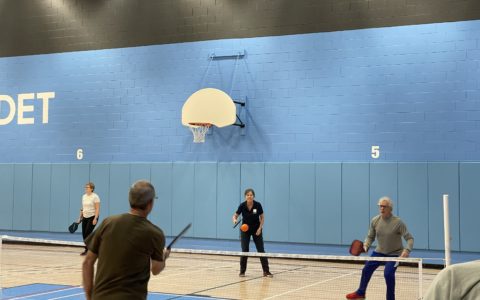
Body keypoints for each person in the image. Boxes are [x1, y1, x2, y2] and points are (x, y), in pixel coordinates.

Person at [82, 180, 169, 300]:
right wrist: (164, 256)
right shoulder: (154, 233)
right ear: (150, 204)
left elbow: (87, 263)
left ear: (130, 200)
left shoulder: (108, 223)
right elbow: (156, 269)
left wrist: (89, 297)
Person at [346, 196, 414, 300]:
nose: (381, 208)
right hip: (379, 252)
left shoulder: (398, 222)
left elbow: (409, 238)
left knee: (388, 274)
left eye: (384, 206)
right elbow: (370, 236)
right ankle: (361, 293)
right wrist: (366, 245)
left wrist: (407, 250)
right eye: (380, 206)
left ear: (390, 208)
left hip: (394, 254)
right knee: (366, 269)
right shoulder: (375, 220)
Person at [232, 188, 273, 278]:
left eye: (251, 195)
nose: (249, 196)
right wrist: (235, 220)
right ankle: (242, 272)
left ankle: (266, 271)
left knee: (261, 250)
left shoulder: (258, 205)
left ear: (253, 196)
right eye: (248, 195)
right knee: (245, 250)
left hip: (256, 230)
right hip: (245, 230)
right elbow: (235, 215)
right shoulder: (242, 205)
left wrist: (259, 228)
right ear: (245, 196)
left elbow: (262, 217)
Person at [77, 182, 100, 255]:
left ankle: (90, 250)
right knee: (84, 234)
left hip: (92, 216)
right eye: (85, 187)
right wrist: (80, 218)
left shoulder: (95, 196)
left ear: (92, 189)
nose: (85, 188)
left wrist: (95, 218)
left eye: (87, 187)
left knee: (88, 233)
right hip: (85, 216)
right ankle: (87, 249)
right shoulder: (83, 196)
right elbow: (82, 208)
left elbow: (97, 208)